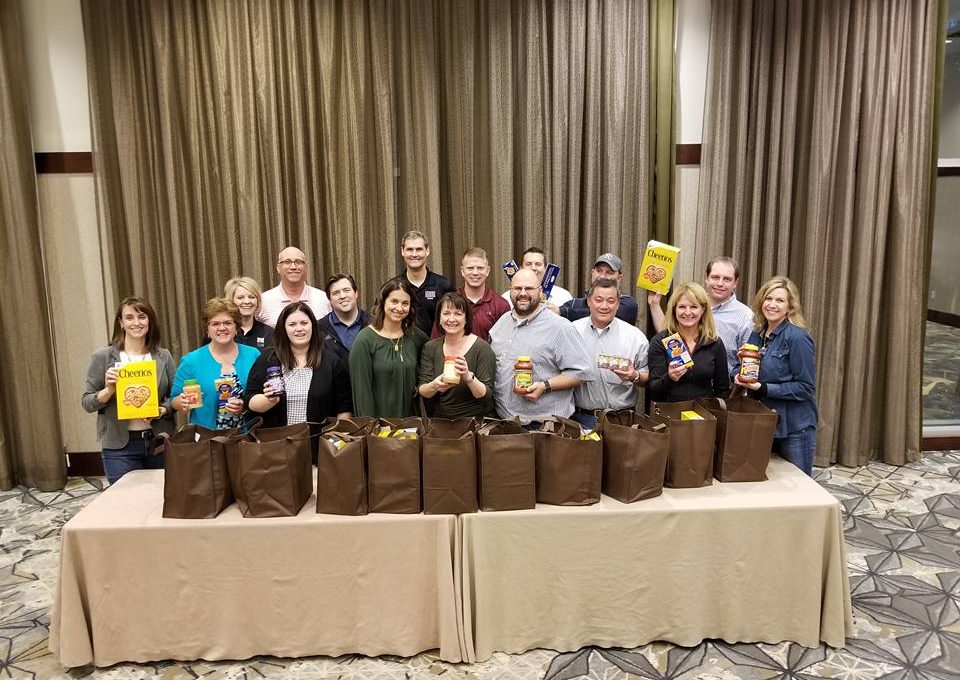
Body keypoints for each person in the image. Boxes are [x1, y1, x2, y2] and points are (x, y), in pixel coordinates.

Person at [81, 297, 176, 484]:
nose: (136, 323)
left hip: (158, 443)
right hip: (119, 448)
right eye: (130, 318)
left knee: (161, 501)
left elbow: (175, 396)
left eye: (142, 317)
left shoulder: (163, 356)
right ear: (121, 323)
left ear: (149, 321)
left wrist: (163, 410)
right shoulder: (103, 357)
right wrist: (108, 390)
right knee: (125, 503)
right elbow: (87, 403)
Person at [734, 276, 818, 476]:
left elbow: (806, 387)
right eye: (768, 298)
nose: (772, 305)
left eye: (779, 300)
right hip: (764, 423)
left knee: (799, 488)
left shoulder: (797, 337)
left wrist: (763, 388)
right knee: (770, 486)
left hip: (794, 428)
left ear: (790, 306)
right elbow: (749, 371)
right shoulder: (757, 333)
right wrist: (738, 373)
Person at [489, 268, 591, 425]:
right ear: (510, 290)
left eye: (529, 288)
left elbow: (582, 372)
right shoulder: (502, 322)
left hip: (544, 426)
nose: (523, 293)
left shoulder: (560, 327)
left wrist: (545, 386)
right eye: (517, 288)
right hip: (505, 422)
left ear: (541, 292)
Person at [245, 302, 352, 436]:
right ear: (283, 328)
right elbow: (249, 401)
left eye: (304, 323)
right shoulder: (268, 359)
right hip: (276, 446)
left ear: (312, 325)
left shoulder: (331, 361)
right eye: (292, 324)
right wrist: (269, 401)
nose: (299, 328)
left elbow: (344, 407)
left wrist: (338, 439)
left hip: (319, 445)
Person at [571, 279, 649, 428]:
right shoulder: (571, 331)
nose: (604, 306)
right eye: (598, 300)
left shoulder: (635, 337)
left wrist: (635, 376)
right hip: (581, 418)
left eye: (611, 301)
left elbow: (650, 377)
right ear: (589, 301)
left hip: (622, 419)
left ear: (618, 304)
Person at [172, 298, 260, 429]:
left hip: (248, 437)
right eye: (215, 324)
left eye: (227, 323)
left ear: (236, 326)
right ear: (207, 329)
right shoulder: (190, 361)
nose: (222, 328)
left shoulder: (253, 355)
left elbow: (262, 394)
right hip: (206, 440)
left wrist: (246, 405)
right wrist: (182, 402)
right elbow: (174, 399)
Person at [349, 277, 429, 417]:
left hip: (411, 426)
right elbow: (361, 393)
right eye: (394, 301)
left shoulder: (417, 338)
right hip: (379, 429)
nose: (399, 308)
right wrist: (371, 430)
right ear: (382, 301)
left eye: (405, 303)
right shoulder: (364, 340)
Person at [647, 282, 729, 403]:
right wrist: (670, 378)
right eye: (682, 307)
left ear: (703, 310)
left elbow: (722, 389)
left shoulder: (715, 343)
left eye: (694, 307)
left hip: (704, 416)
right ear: (674, 310)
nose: (687, 312)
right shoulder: (660, 341)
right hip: (670, 415)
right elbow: (653, 389)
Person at [418, 292, 497, 418]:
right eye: (446, 313)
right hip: (441, 422)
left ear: (466, 319)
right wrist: (435, 385)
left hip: (475, 424)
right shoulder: (430, 347)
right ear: (439, 318)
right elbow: (423, 390)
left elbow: (486, 397)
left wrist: (468, 377)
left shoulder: (482, 348)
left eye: (458, 314)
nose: (451, 319)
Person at [433, 247, 510, 343]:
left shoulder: (501, 305)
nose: (475, 272)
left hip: (488, 357)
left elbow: (505, 344)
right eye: (470, 268)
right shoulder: (447, 304)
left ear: (488, 271)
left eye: (480, 268)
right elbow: (436, 341)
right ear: (462, 271)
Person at [703, 257, 754, 376]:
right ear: (706, 278)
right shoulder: (693, 307)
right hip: (688, 387)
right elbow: (670, 335)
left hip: (726, 390)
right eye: (715, 277)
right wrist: (654, 305)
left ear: (735, 283)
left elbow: (748, 361)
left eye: (727, 279)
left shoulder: (745, 316)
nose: (720, 283)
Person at [258, 246, 332, 327]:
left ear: (306, 267)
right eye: (287, 262)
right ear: (278, 268)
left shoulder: (324, 299)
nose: (293, 267)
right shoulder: (263, 302)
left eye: (298, 262)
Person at [559, 252, 640, 324]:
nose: (602, 276)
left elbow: (604, 317)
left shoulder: (627, 303)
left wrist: (564, 312)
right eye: (599, 271)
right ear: (592, 273)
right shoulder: (574, 304)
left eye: (609, 272)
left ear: (619, 278)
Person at [399, 230, 454, 335]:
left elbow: (454, 319)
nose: (414, 254)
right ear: (402, 251)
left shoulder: (444, 286)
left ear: (427, 251)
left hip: (437, 348)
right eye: (410, 249)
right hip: (403, 348)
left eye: (419, 249)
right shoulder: (394, 287)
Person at [317, 273, 371, 364]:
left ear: (356, 293)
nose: (342, 296)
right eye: (336, 293)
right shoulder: (319, 328)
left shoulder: (374, 324)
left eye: (346, 290)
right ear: (329, 299)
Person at [501, 246, 574, 309]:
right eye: (528, 264)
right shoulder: (506, 298)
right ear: (520, 268)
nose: (533, 268)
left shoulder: (564, 296)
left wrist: (559, 312)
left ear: (546, 269)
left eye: (538, 264)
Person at [224, 277, 273, 350]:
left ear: (257, 301)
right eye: (240, 298)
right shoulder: (221, 331)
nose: (247, 301)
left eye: (251, 297)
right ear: (231, 301)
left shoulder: (269, 333)